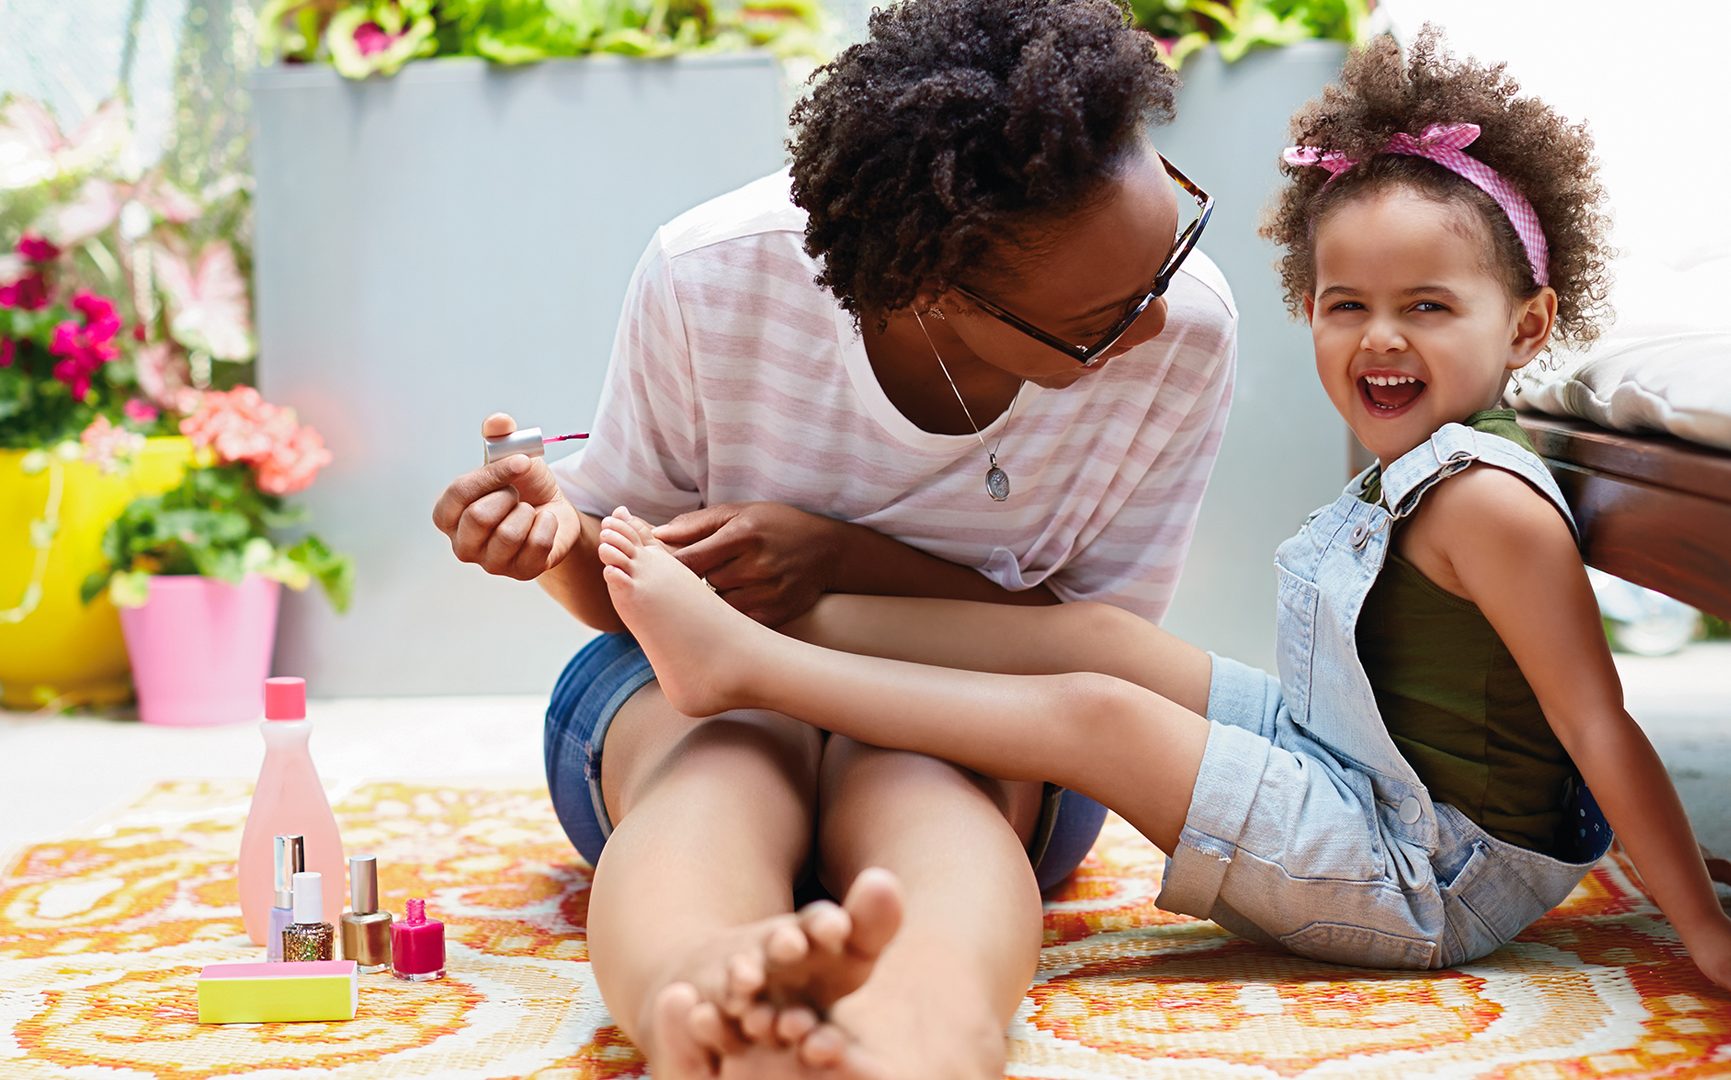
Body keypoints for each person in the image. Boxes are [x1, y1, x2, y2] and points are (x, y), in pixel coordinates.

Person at [585, 28, 1731, 1066]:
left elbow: (1598, 718)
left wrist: (1688, 915)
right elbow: (1530, 725)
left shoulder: (1489, 503)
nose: (1377, 340)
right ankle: (759, 640)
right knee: (1097, 643)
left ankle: (745, 667)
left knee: (1092, 706)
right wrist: (1613, 834)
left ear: (1528, 328)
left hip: (1421, 869)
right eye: (1345, 304)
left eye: (1427, 307)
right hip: (1371, 764)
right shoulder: (1419, 473)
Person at [429, 0, 1238, 1073]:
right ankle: (702, 1004)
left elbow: (1089, 652)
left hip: (980, 717)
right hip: (687, 694)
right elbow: (618, 591)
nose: (1158, 321)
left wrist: (843, 559)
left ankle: (925, 1031)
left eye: (1172, 244)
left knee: (925, 780)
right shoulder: (713, 273)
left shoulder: (1183, 330)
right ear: (931, 290)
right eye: (1101, 319)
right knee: (725, 761)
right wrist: (553, 535)